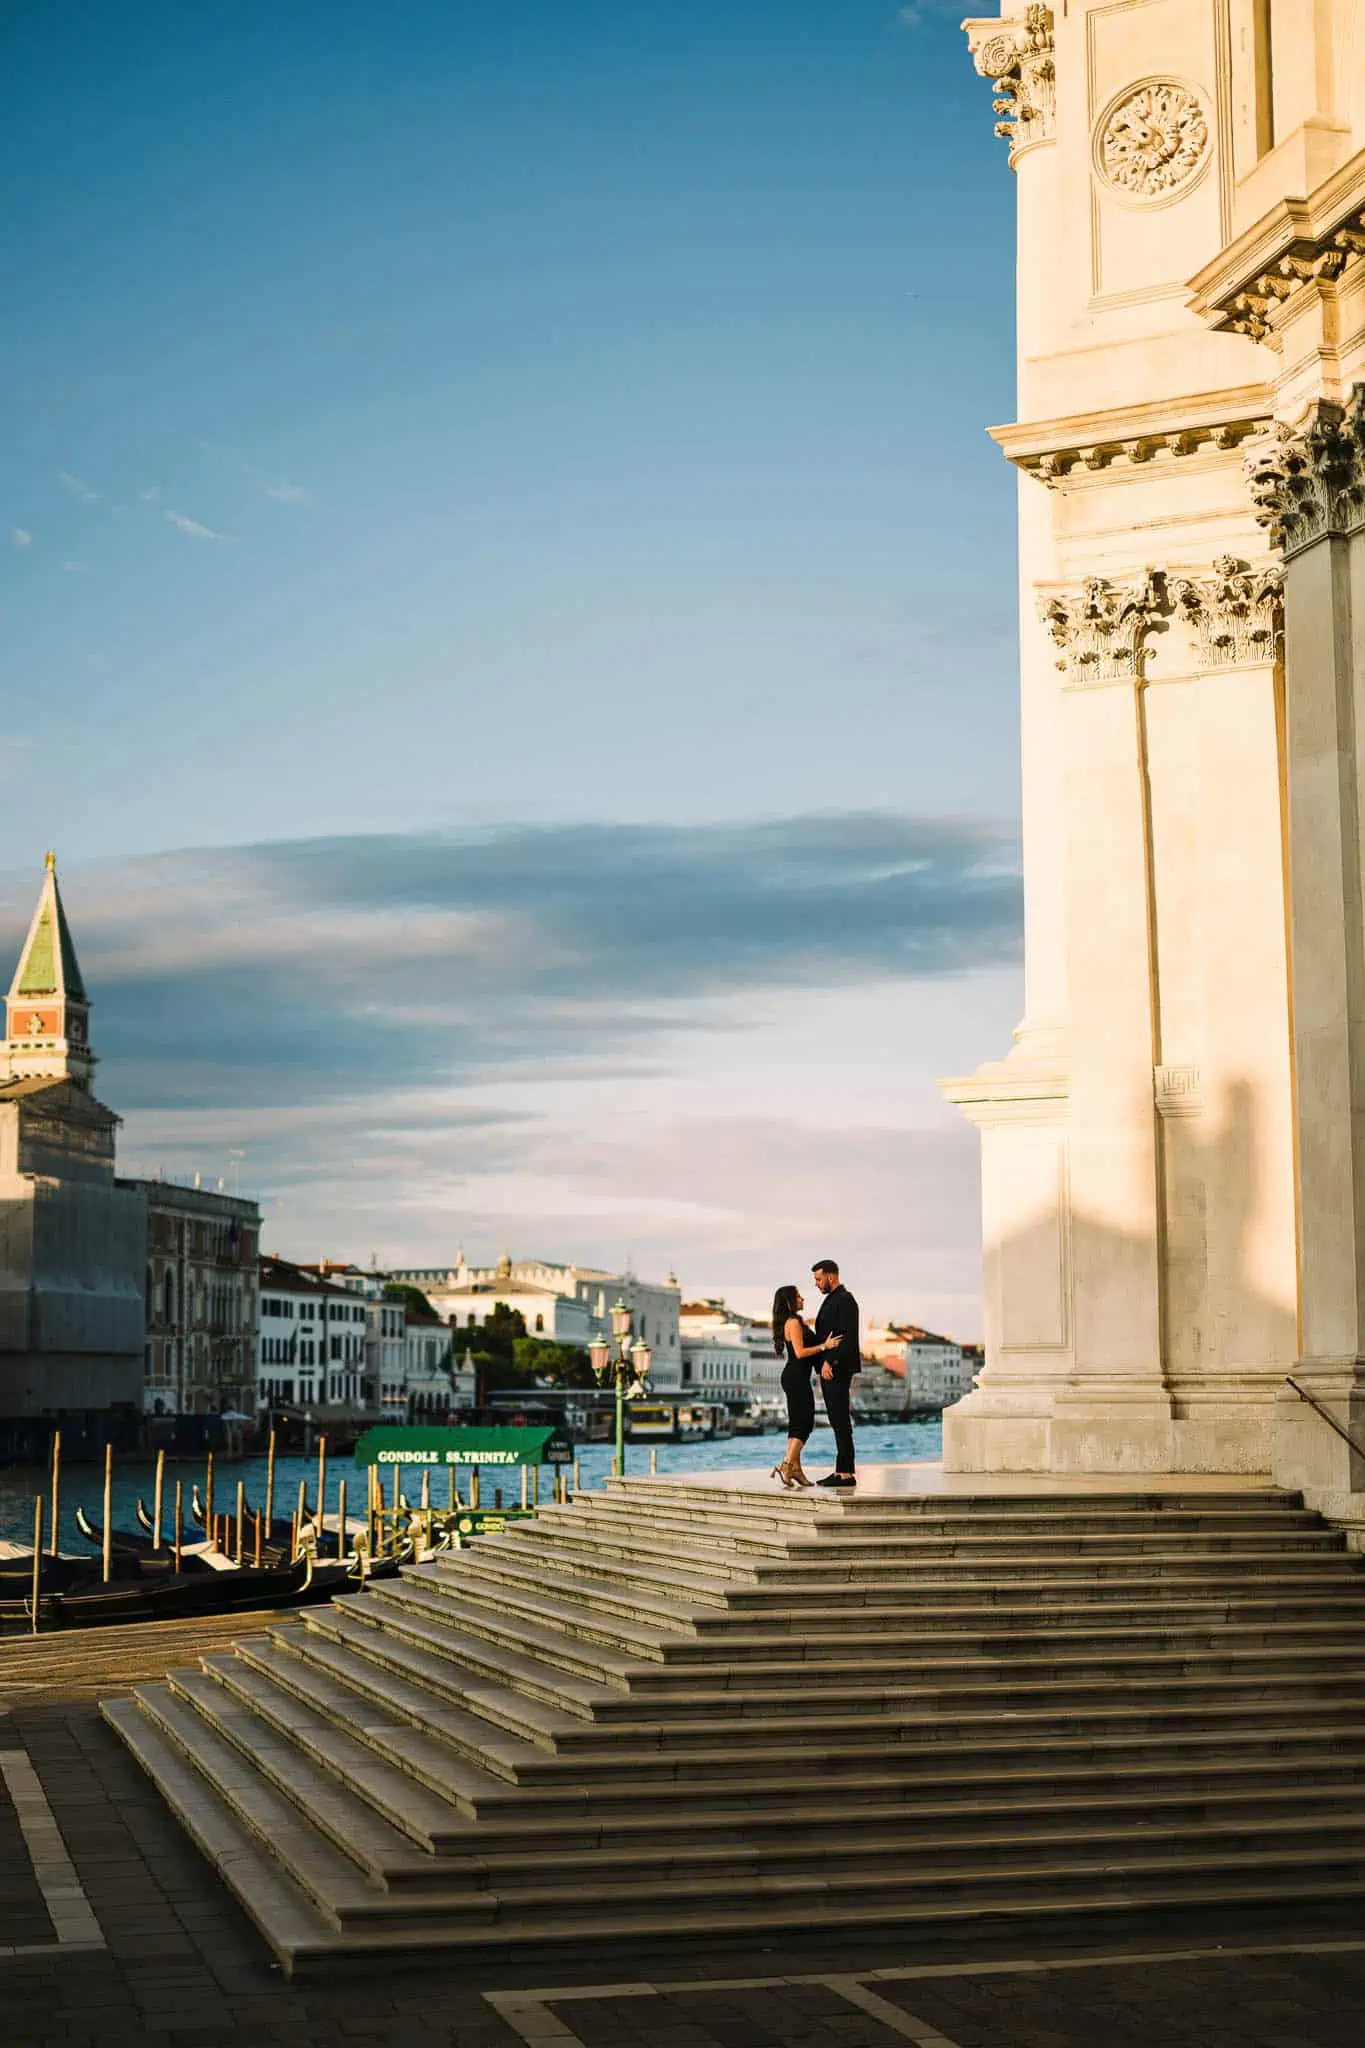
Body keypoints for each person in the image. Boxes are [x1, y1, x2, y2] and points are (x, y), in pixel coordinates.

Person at [769, 1284, 838, 1489]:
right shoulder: (793, 1322)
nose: (803, 1299)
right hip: (796, 1377)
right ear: (790, 1301)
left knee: (797, 1423)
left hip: (794, 1377)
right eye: (798, 1297)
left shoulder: (791, 1322)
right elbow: (800, 1353)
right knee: (805, 1423)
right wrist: (825, 1346)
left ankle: (796, 1470)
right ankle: (787, 1464)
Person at [812, 1258, 860, 1487]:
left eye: (819, 1279)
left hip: (837, 1368)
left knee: (840, 1419)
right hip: (830, 1367)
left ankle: (846, 1473)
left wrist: (830, 1361)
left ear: (831, 1276)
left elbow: (845, 1336)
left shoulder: (844, 1299)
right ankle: (842, 1470)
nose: (817, 1284)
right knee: (836, 1419)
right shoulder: (835, 1299)